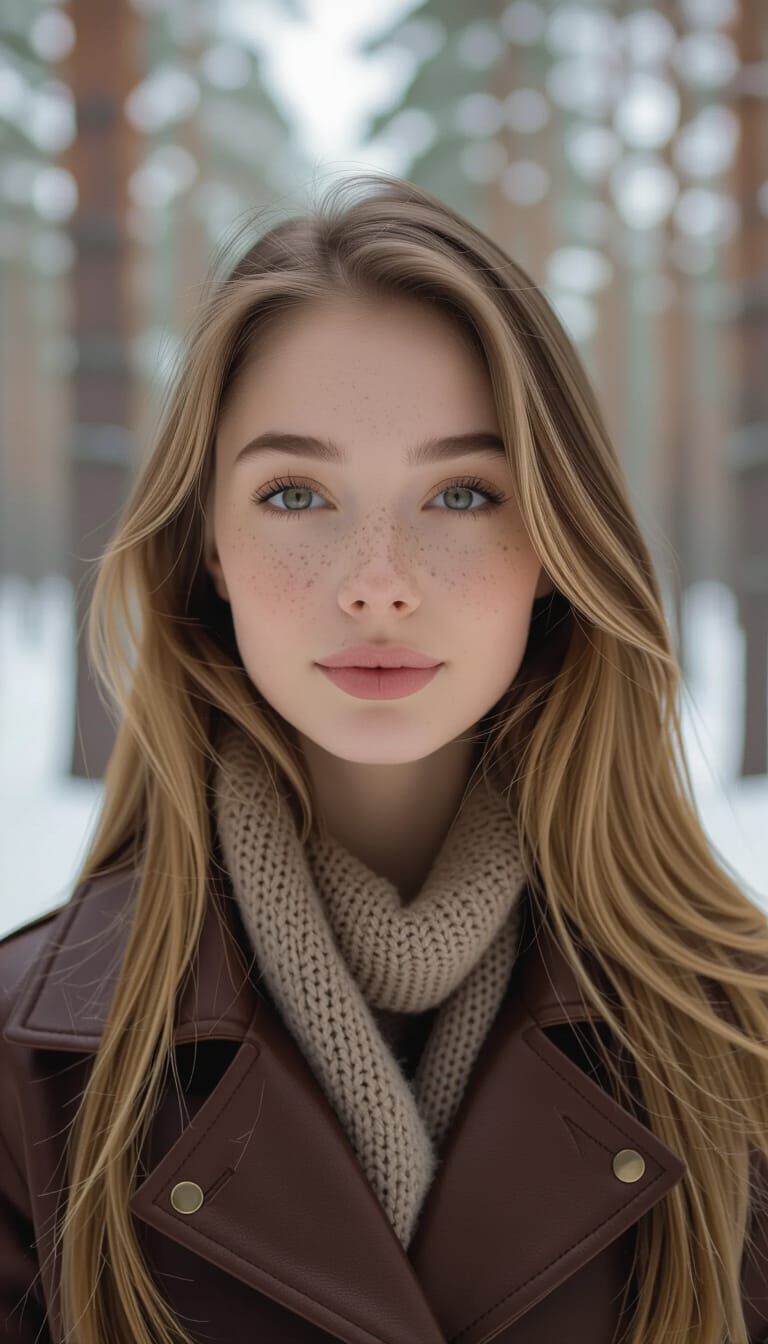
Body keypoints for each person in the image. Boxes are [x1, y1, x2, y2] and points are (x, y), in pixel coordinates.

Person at [2, 172, 768, 1344]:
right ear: (205, 542)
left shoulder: (743, 1046)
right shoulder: (25, 1078)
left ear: (557, 544)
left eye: (461, 492)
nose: (377, 579)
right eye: (296, 493)